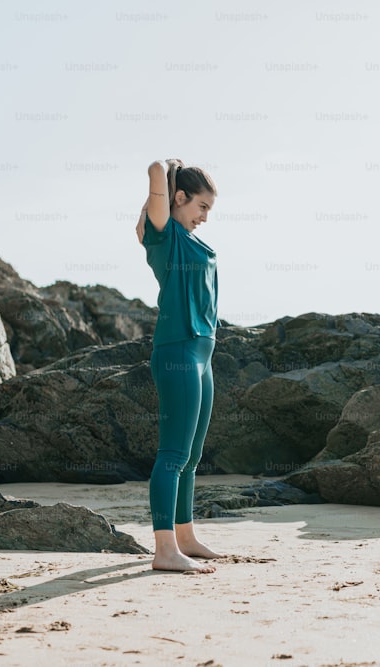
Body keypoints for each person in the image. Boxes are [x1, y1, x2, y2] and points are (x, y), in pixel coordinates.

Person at [135, 158, 221, 573]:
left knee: (192, 454)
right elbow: (154, 170)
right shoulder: (165, 235)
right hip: (178, 353)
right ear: (180, 199)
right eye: (201, 207)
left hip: (203, 354)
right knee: (173, 453)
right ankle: (164, 550)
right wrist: (170, 168)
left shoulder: (190, 238)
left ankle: (185, 536)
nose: (205, 216)